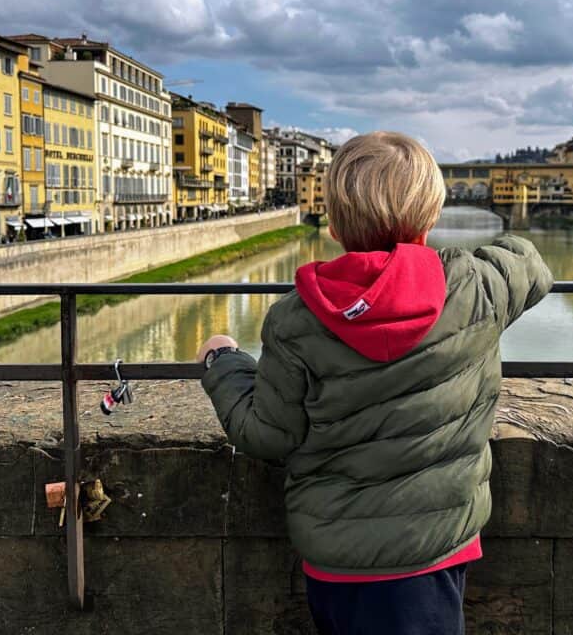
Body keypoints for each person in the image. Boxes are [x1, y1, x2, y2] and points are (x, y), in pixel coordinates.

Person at [197, 131, 553, 635]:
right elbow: (530, 262)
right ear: (431, 218)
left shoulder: (294, 321)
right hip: (438, 546)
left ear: (335, 225)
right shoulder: (473, 287)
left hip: (337, 559)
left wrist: (223, 363)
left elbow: (267, 435)